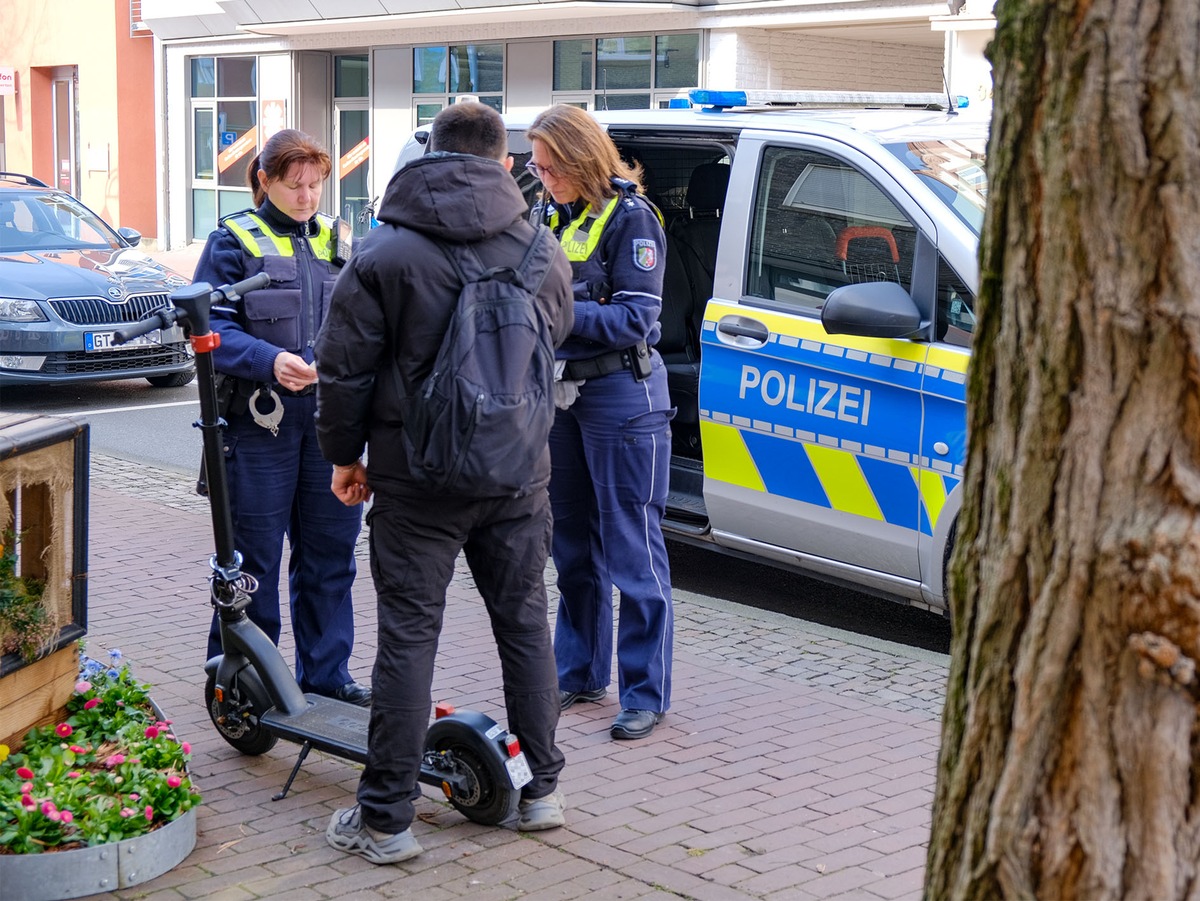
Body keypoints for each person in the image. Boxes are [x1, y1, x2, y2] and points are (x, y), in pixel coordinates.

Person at [315, 101, 574, 865]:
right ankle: (543, 792)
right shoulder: (540, 246)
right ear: (504, 164)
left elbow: (344, 369)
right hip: (518, 474)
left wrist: (344, 455)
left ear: (429, 154)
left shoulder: (386, 251)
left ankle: (387, 820)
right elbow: (551, 341)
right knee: (526, 625)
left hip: (417, 477)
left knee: (408, 635)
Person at [194, 128, 369, 708]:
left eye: (317, 185)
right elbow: (210, 330)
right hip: (258, 425)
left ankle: (327, 675)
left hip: (328, 424)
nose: (307, 197)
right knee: (253, 561)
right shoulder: (232, 240)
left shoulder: (341, 240)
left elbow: (365, 323)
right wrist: (270, 360)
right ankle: (243, 680)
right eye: (294, 185)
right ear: (264, 180)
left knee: (329, 557)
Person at [525, 105, 675, 741]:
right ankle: (580, 669)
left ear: (581, 158)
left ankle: (645, 691)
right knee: (573, 546)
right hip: (563, 395)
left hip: (621, 395)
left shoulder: (633, 217)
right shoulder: (547, 214)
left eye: (549, 165)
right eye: (535, 166)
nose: (540, 175)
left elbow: (634, 319)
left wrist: (558, 311)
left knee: (632, 548)